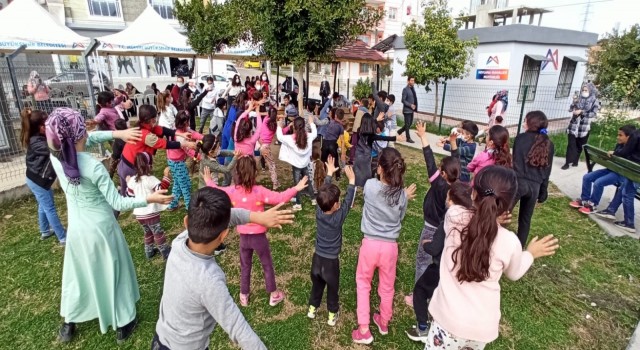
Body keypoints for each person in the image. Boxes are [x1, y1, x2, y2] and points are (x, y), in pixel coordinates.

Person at [45, 108, 173, 344]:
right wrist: (149, 199)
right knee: (114, 271)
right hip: (102, 229)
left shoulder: (56, 155)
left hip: (77, 229)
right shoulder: (93, 167)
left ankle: (69, 321)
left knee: (78, 273)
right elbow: (117, 202)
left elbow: (86, 139)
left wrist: (118, 134)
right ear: (79, 134)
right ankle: (124, 322)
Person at [425, 166, 559, 349]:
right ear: (508, 204)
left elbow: (472, 218)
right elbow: (514, 273)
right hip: (481, 329)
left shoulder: (454, 216)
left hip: (447, 322)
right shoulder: (510, 242)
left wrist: (491, 220)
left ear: (473, 194)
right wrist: (530, 253)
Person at [152, 187, 297, 350]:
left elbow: (225, 217)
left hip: (160, 339)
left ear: (186, 222)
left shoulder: (180, 241)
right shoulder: (208, 280)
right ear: (224, 235)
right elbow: (239, 329)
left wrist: (258, 217)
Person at [203, 158, 308, 307]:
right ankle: (273, 295)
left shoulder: (232, 192)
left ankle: (243, 295)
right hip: (259, 238)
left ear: (236, 173)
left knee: (245, 265)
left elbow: (217, 191)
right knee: (267, 265)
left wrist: (209, 181)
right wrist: (296, 188)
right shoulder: (260, 191)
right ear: (255, 173)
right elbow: (280, 198)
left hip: (244, 238)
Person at [352, 148, 417, 345]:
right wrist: (403, 196)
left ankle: (364, 329)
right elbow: (401, 216)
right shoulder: (401, 195)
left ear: (380, 168)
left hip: (370, 245)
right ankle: (384, 322)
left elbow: (378, 193)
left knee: (363, 283)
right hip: (390, 248)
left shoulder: (370, 186)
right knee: (387, 287)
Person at [405, 181, 473, 342]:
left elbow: (435, 249)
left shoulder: (449, 222)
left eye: (449, 199)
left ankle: (422, 328)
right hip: (462, 271)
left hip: (442, 267)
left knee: (420, 291)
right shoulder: (474, 221)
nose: (446, 201)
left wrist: (426, 245)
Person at [403, 121, 460, 306]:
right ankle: (437, 294)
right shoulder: (458, 185)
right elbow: (456, 163)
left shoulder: (440, 185)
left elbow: (429, 164)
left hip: (431, 228)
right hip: (447, 229)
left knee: (422, 260)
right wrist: (453, 144)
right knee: (439, 262)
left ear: (443, 173)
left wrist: (423, 137)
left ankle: (418, 297)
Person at [307, 159, 356, 327]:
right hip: (330, 263)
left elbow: (322, 193)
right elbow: (349, 202)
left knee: (317, 285)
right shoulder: (338, 218)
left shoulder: (319, 211)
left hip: (317, 259)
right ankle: (331, 315)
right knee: (332, 290)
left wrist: (329, 175)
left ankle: (312, 309)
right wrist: (352, 182)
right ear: (336, 205)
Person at [117, 105, 195, 199]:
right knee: (137, 195)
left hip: (126, 162)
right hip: (129, 167)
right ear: (149, 119)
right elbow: (163, 144)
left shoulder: (146, 126)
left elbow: (162, 130)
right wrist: (184, 144)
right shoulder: (145, 134)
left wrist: (179, 134)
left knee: (126, 194)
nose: (156, 119)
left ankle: (119, 200)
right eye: (155, 117)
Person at [20, 107, 66, 245]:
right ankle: (63, 237)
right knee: (49, 208)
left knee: (43, 204)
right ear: (41, 127)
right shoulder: (37, 143)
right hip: (37, 180)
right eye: (48, 124)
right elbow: (55, 149)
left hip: (37, 179)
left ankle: (45, 230)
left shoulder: (40, 137)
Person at [569, 124, 637, 215]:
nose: (618, 137)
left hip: (621, 174)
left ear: (629, 137)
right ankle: (584, 200)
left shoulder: (632, 150)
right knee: (587, 177)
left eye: (620, 135)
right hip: (611, 170)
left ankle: (592, 204)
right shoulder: (619, 145)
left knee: (598, 182)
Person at [511, 111, 555, 247]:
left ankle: (491, 238)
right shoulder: (549, 144)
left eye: (525, 120)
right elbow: (547, 170)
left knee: (503, 213)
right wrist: (543, 192)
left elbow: (515, 161)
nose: (524, 123)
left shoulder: (520, 138)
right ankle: (519, 247)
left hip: (518, 183)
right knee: (525, 220)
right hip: (535, 187)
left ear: (531, 123)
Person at [126, 153, 172, 260]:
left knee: (148, 233)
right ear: (148, 164)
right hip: (150, 212)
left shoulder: (132, 181)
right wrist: (166, 176)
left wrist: (128, 182)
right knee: (158, 233)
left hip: (139, 214)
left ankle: (149, 251)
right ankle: (165, 251)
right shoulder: (150, 179)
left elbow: (130, 195)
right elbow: (161, 190)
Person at [594, 127, 640, 232]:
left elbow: (626, 151)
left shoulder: (636, 134)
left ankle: (629, 223)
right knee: (623, 189)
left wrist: (615, 153)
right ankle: (611, 210)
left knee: (628, 194)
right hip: (636, 169)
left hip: (635, 169)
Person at [353, 113, 403, 191]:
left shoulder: (359, 130)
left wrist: (376, 120)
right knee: (367, 173)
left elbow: (367, 123)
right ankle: (365, 186)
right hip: (366, 157)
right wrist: (395, 138)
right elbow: (384, 138)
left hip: (358, 155)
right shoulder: (371, 135)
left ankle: (355, 184)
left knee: (357, 170)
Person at [277, 116, 317, 211]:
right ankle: (313, 199)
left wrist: (279, 126)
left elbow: (279, 137)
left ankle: (298, 204)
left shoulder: (290, 138)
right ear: (304, 126)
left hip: (296, 165)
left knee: (297, 184)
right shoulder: (309, 136)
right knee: (308, 181)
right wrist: (311, 122)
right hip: (305, 164)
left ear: (294, 127)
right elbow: (315, 133)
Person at [166, 112, 204, 212]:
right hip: (177, 163)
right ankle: (190, 208)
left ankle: (172, 205)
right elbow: (189, 151)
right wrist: (200, 157)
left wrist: (203, 137)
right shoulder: (179, 136)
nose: (189, 124)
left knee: (178, 184)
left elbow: (194, 133)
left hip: (174, 161)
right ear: (182, 123)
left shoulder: (181, 129)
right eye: (187, 122)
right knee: (185, 185)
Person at [562, 83, 600, 170]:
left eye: (586, 90)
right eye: (583, 90)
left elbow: (593, 114)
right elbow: (571, 109)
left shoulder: (595, 101)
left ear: (590, 91)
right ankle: (567, 163)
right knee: (571, 144)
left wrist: (581, 112)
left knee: (579, 145)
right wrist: (574, 103)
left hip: (584, 127)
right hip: (574, 125)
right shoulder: (579, 98)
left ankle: (575, 161)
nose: (584, 92)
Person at [258, 107, 280, 189]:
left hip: (259, 143)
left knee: (254, 162)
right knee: (272, 165)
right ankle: (275, 183)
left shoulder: (265, 120)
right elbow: (282, 131)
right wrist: (288, 126)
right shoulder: (275, 125)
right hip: (266, 147)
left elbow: (267, 115)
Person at [398, 76, 417, 143]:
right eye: (411, 80)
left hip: (411, 110)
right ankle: (408, 138)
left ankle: (399, 132)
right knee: (407, 124)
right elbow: (403, 100)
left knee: (409, 124)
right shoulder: (405, 89)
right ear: (408, 81)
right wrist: (410, 105)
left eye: (413, 80)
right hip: (407, 110)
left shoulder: (412, 89)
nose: (413, 82)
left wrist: (414, 106)